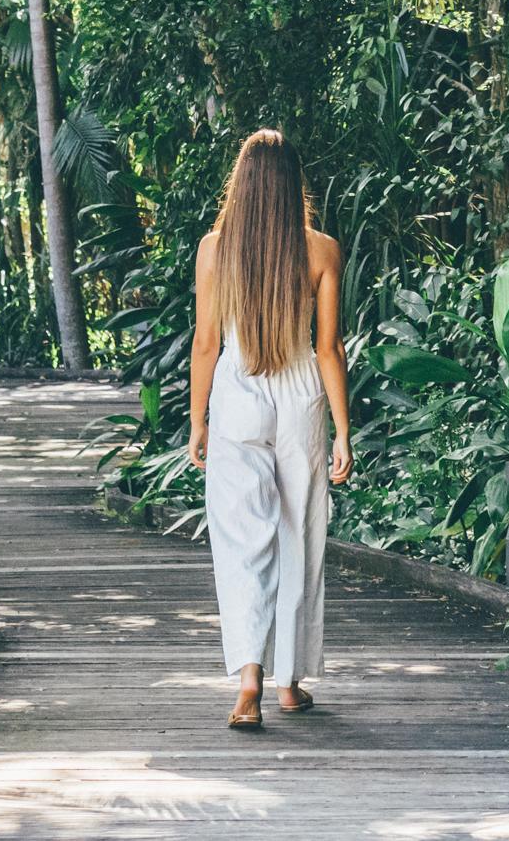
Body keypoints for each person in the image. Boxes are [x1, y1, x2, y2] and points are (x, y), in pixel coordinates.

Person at [187, 127, 352, 730]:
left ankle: (249, 683)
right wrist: (342, 431)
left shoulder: (215, 248)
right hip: (300, 392)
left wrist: (198, 418)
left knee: (241, 543)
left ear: (243, 183)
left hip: (238, 393)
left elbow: (206, 344)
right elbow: (328, 347)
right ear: (293, 185)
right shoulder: (322, 250)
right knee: (299, 538)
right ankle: (290, 683)